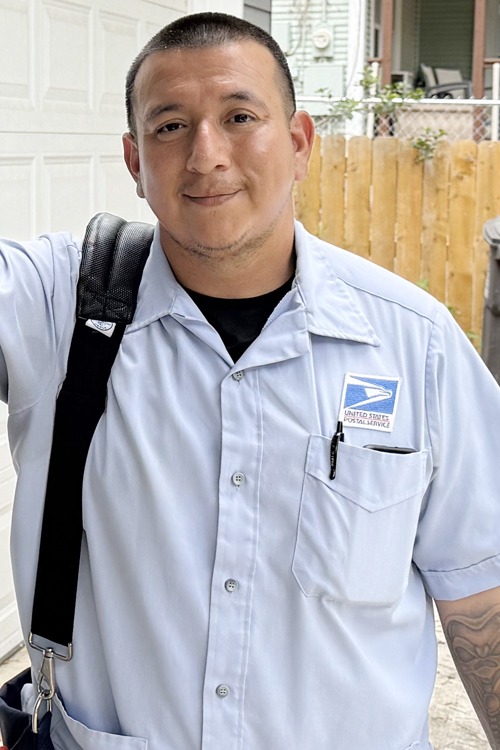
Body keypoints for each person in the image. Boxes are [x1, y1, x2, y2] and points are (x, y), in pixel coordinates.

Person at [1, 11, 500, 750]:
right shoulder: (57, 310)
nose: (206, 155)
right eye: (170, 127)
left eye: (239, 116)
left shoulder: (414, 347)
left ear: (298, 144)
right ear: (135, 162)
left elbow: (481, 595)